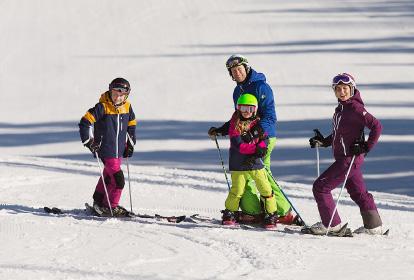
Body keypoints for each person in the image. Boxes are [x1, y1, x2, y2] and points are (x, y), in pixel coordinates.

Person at [208, 54, 295, 224]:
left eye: (240, 69)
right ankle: (253, 211)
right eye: (233, 71)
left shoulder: (261, 87)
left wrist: (254, 134)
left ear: (246, 69)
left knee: (263, 174)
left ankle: (282, 211)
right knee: (244, 176)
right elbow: (238, 118)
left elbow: (270, 118)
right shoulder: (237, 91)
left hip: (264, 138)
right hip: (244, 142)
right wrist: (223, 130)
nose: (237, 73)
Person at [308, 73, 383, 235]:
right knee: (358, 192)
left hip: (349, 159)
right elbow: (339, 133)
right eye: (338, 89)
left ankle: (332, 225)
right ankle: (373, 226)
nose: (342, 92)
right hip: (347, 159)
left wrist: (365, 146)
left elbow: (377, 126)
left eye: (345, 88)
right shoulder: (341, 109)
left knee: (320, 187)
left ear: (352, 89)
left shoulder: (355, 108)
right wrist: (324, 142)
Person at [78, 77, 136, 217]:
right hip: (105, 150)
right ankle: (111, 206)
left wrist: (131, 144)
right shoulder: (102, 107)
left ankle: (98, 201)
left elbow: (131, 123)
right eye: (115, 93)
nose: (118, 97)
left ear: (126, 95)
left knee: (108, 177)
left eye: (122, 95)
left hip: (119, 151)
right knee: (118, 180)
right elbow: (85, 122)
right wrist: (88, 141)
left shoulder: (127, 107)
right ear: (110, 91)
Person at [220, 93, 277, 228]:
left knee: (265, 188)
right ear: (238, 108)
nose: (246, 112)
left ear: (255, 109)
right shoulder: (234, 125)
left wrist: (262, 147)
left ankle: (271, 213)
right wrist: (255, 149)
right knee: (237, 190)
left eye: (250, 109)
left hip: (256, 163)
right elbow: (239, 145)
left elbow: (265, 138)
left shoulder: (257, 123)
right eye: (243, 108)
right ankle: (230, 212)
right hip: (238, 164)